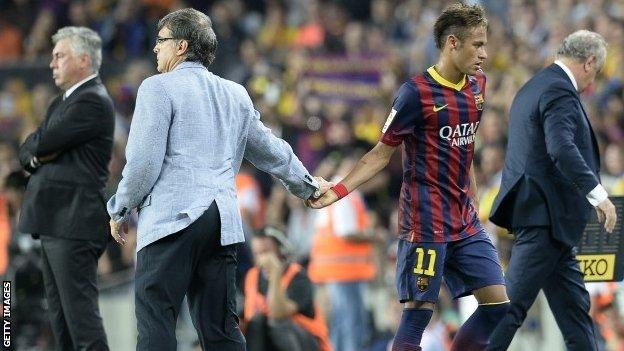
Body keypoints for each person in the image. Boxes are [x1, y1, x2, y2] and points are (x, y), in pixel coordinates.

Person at [106, 8, 330, 351]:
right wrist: (308, 184)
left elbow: (142, 165)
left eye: (161, 41)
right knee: (222, 330)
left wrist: (120, 207)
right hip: (222, 223)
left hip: (171, 219)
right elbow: (270, 149)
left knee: (156, 322)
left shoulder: (157, 88)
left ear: (181, 46)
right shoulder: (235, 94)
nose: (155, 49)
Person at [310, 3, 510, 350]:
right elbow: (380, 154)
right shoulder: (414, 94)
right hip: (426, 223)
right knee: (418, 316)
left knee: (498, 305)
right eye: (477, 44)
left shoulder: (478, 85)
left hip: (464, 219)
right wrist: (338, 190)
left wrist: (473, 197)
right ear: (452, 43)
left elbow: (466, 146)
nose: (485, 53)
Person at [487, 30, 617, 351]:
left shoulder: (533, 87)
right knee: (510, 308)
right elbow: (560, 147)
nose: (592, 83)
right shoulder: (559, 91)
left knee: (575, 315)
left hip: (550, 222)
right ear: (588, 63)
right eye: (595, 72)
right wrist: (598, 195)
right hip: (543, 220)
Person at [17, 26, 113, 351]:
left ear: (84, 60)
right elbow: (30, 147)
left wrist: (37, 151)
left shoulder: (92, 101)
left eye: (60, 56)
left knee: (81, 325)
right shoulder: (64, 102)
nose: (51, 63)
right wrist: (36, 153)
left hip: (74, 223)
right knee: (63, 327)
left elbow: (42, 142)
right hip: (57, 223)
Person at [308, 155, 377, 351]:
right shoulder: (343, 191)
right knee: (352, 323)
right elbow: (346, 232)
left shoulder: (333, 190)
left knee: (341, 322)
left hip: (335, 270)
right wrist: (374, 236)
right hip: (344, 271)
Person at [244, 226, 331, 351]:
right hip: (267, 341)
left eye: (266, 252)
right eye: (258, 253)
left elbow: (278, 313)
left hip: (307, 342)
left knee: (277, 323)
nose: (262, 259)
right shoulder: (252, 275)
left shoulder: (297, 275)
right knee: (256, 322)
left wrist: (275, 274)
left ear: (281, 250)